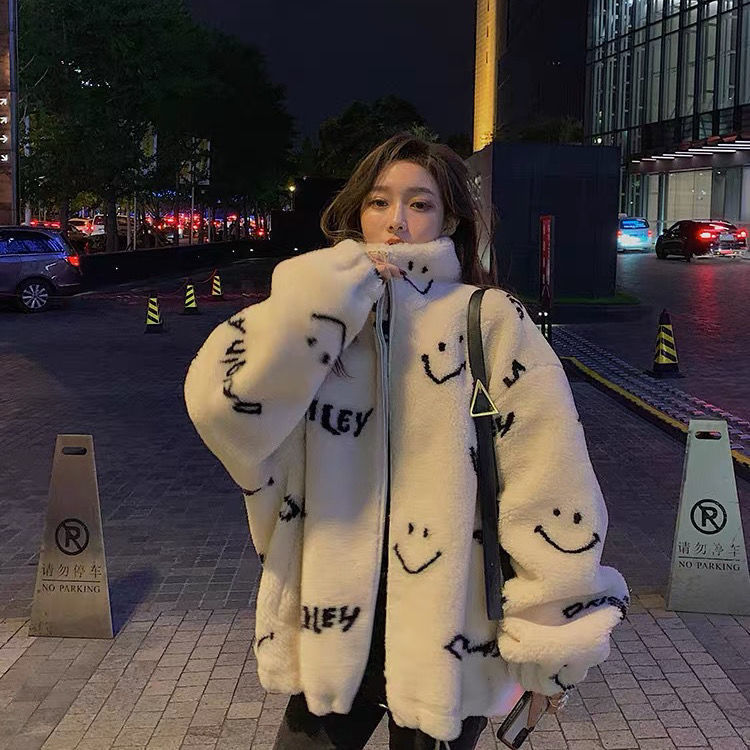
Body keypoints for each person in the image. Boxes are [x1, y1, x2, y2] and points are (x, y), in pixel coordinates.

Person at [184, 133, 629, 749]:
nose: (396, 221)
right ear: (357, 212)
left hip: (452, 633)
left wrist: (554, 639)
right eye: (379, 201)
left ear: (450, 220)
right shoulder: (315, 316)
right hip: (335, 623)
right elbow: (223, 411)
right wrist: (321, 302)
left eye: (419, 204)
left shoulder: (489, 319)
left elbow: (550, 481)